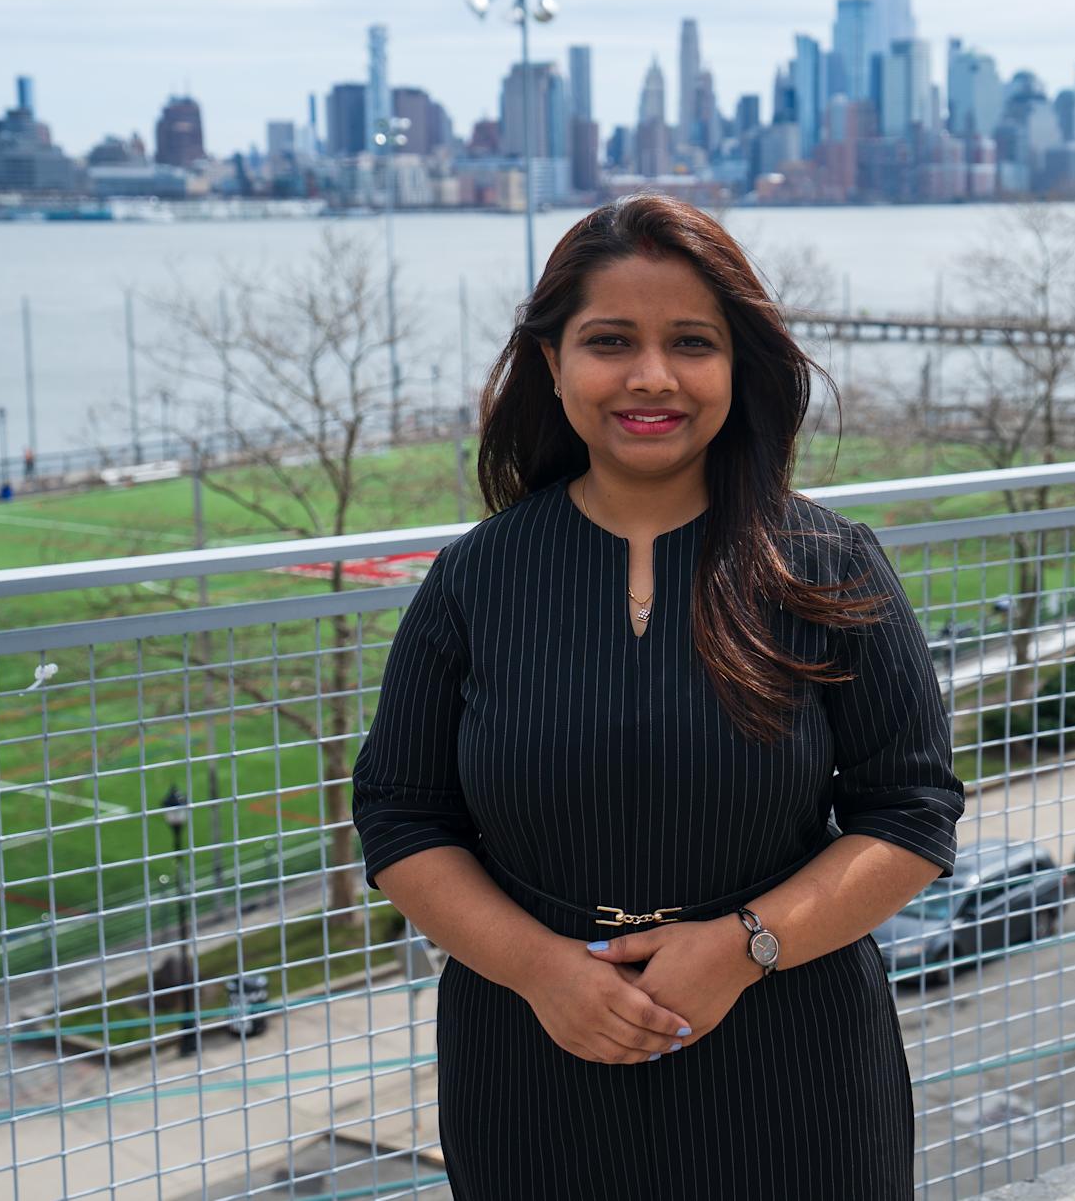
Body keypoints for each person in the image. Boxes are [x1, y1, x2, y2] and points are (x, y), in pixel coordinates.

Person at [351, 196, 962, 1200]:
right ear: (551, 364)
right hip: (532, 1058)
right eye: (609, 341)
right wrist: (543, 970)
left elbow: (912, 810)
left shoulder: (826, 562)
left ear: (739, 367)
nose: (651, 377)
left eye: (691, 343)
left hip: (793, 1058)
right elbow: (402, 812)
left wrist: (742, 948)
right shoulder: (476, 579)